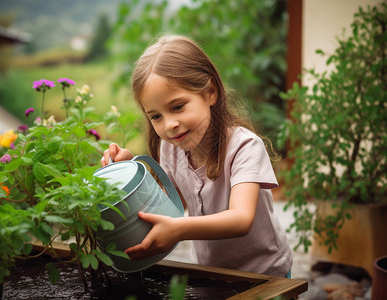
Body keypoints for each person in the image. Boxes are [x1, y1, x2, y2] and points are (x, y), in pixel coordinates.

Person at [101, 34, 292, 277]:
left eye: (178, 107)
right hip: (211, 273)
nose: (169, 124)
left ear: (210, 92)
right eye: (156, 116)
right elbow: (169, 206)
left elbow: (241, 219)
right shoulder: (170, 148)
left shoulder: (244, 147)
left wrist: (179, 230)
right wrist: (131, 174)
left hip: (265, 274)